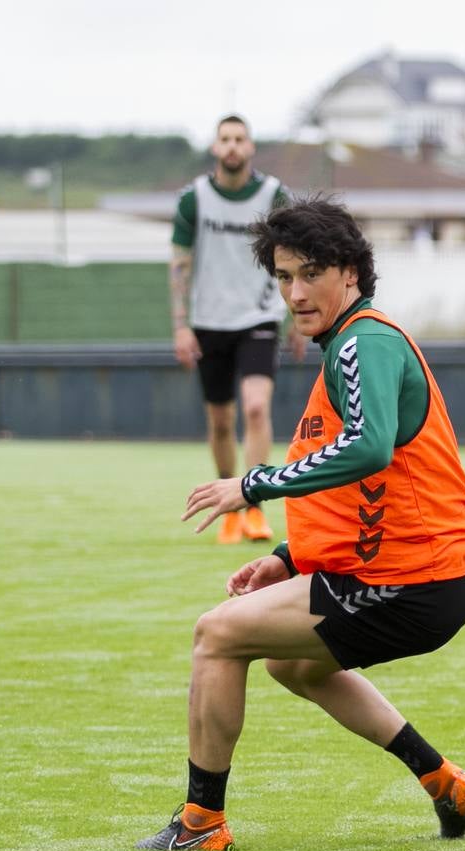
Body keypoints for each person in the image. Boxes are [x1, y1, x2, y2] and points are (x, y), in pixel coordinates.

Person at [138, 198, 465, 851]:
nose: (295, 293)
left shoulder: (363, 343)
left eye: (310, 274)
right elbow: (358, 489)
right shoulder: (349, 343)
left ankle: (201, 824)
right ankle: (446, 783)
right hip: (408, 574)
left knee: (216, 635)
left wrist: (252, 484)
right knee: (288, 665)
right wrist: (289, 556)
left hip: (414, 579)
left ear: (351, 272)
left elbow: (367, 447)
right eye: (282, 276)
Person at [170, 114, 305, 545]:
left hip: (259, 317)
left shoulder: (272, 194)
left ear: (250, 147)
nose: (231, 146)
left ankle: (254, 504)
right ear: (215, 147)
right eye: (224, 139)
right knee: (221, 420)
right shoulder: (194, 200)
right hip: (209, 321)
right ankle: (228, 499)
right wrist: (180, 326)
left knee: (255, 408)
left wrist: (299, 319)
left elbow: (296, 256)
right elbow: (179, 264)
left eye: (239, 139)